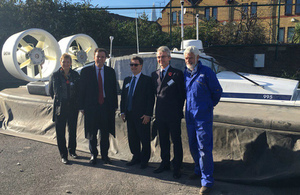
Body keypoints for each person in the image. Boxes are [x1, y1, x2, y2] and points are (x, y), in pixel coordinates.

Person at [183, 46, 222, 195]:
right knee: (193, 145)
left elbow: (217, 92)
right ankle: (198, 170)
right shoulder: (185, 74)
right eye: (187, 58)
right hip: (190, 116)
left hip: (203, 117)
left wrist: (208, 106)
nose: (189, 60)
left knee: (204, 149)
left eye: (191, 57)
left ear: (197, 58)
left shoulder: (206, 73)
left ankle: (207, 181)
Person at [79, 48, 118, 165]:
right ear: (94, 57)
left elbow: (113, 90)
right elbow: (82, 90)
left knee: (105, 133)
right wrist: (81, 106)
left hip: (106, 107)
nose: (100, 59)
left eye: (102, 57)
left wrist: (115, 106)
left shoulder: (110, 71)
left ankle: (105, 155)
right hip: (91, 107)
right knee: (92, 132)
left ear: (105, 58)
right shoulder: (86, 71)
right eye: (98, 56)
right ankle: (93, 155)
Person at [151, 46, 185, 179]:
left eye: (163, 56)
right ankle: (165, 163)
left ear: (169, 58)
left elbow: (182, 95)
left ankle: (177, 167)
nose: (161, 59)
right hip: (160, 114)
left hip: (173, 114)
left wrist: (178, 111)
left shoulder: (177, 74)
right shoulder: (154, 74)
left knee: (176, 141)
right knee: (163, 140)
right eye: (159, 57)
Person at [120, 56, 155, 169]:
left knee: (144, 138)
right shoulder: (127, 80)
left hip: (142, 116)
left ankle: (144, 160)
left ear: (141, 66)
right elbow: (124, 98)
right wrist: (122, 112)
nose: (133, 67)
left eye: (136, 65)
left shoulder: (147, 80)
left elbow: (151, 99)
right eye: (132, 65)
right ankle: (136, 157)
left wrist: (148, 114)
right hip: (129, 115)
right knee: (132, 138)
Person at [49, 53, 80, 164]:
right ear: (60, 62)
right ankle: (63, 155)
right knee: (60, 132)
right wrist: (59, 100)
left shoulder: (75, 75)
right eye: (64, 62)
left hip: (72, 106)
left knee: (72, 130)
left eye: (68, 62)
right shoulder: (55, 75)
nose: (66, 64)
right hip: (60, 107)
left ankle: (72, 151)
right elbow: (51, 91)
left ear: (71, 63)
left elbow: (79, 90)